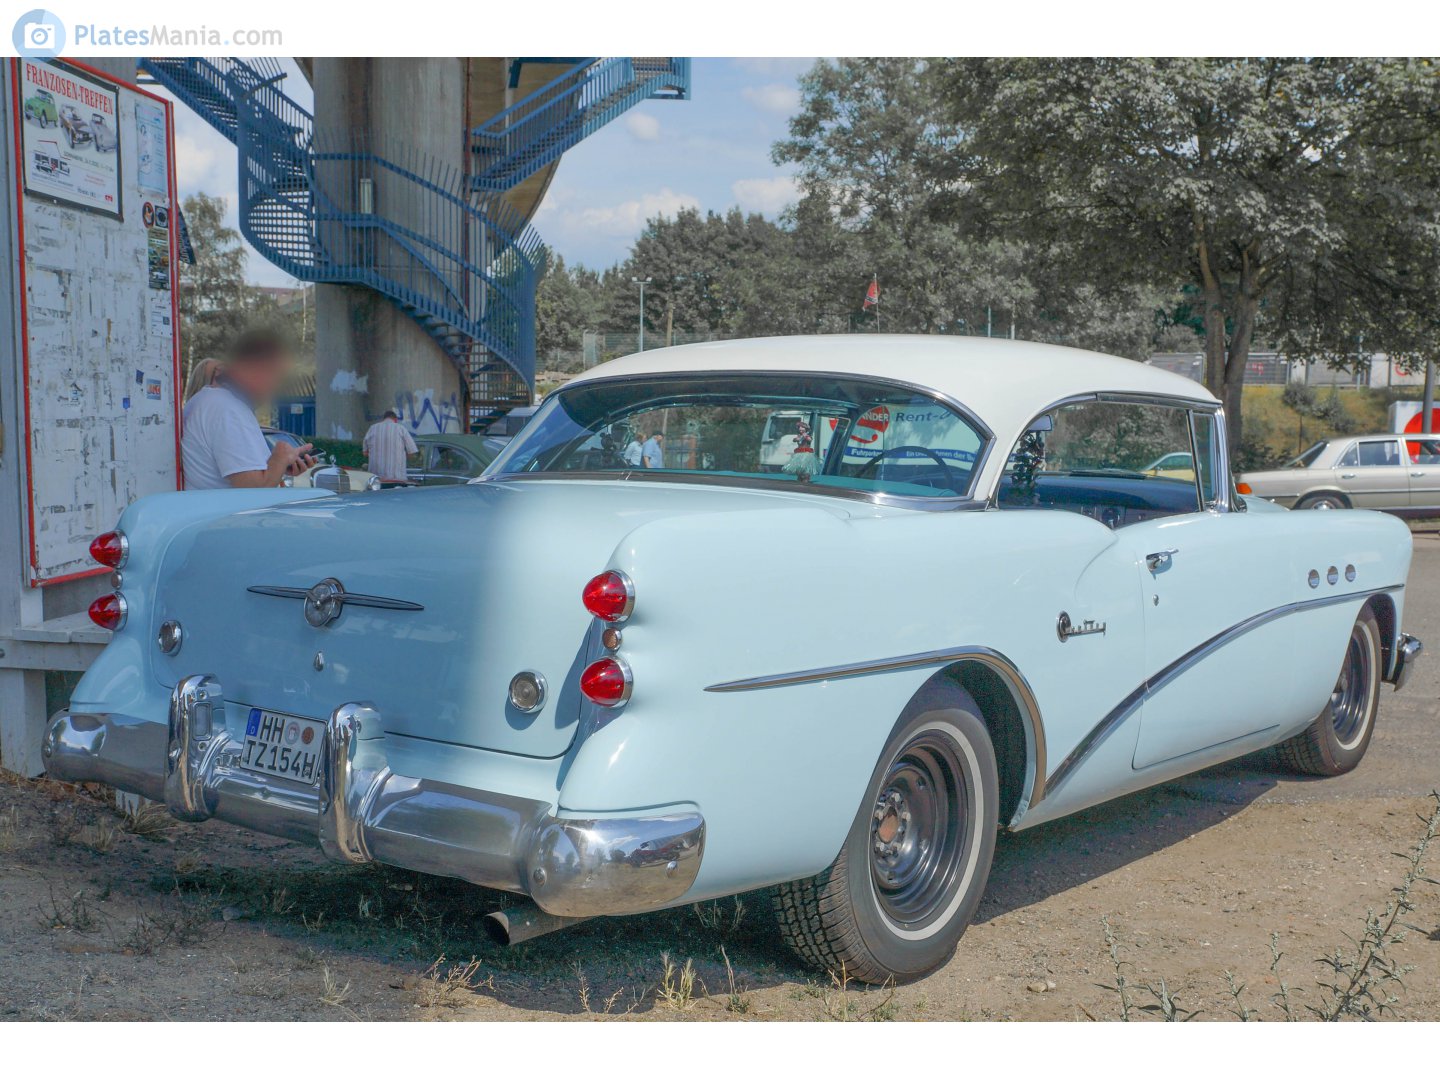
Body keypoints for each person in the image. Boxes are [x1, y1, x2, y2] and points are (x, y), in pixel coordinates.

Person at [181, 328, 314, 490]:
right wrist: (280, 457)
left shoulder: (205, 401)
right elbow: (253, 489)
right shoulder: (229, 409)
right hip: (231, 515)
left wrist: (280, 466)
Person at [363, 409, 418, 483]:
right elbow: (412, 451)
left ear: (384, 419)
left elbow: (365, 453)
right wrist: (400, 458)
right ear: (395, 420)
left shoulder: (372, 428)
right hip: (397, 477)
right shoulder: (401, 428)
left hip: (375, 479)